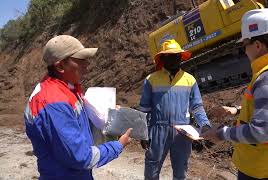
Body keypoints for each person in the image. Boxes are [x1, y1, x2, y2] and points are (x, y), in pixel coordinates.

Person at [201, 8, 268, 180]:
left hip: (263, 168)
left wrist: (221, 133)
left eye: (244, 44)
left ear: (257, 45)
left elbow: (260, 132)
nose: (244, 50)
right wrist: (236, 109)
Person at [24, 35, 132, 179]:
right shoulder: (53, 102)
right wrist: (117, 146)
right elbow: (80, 157)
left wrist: (107, 115)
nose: (87, 65)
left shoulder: (67, 88)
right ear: (60, 66)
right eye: (80, 60)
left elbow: (78, 128)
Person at [139, 39, 212, 180]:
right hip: (157, 131)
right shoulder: (151, 79)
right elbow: (144, 109)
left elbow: (196, 107)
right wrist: (143, 133)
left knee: (180, 170)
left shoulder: (190, 80)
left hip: (182, 133)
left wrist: (205, 125)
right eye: (169, 56)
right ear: (162, 58)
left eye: (176, 55)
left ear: (181, 57)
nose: (173, 59)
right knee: (152, 169)